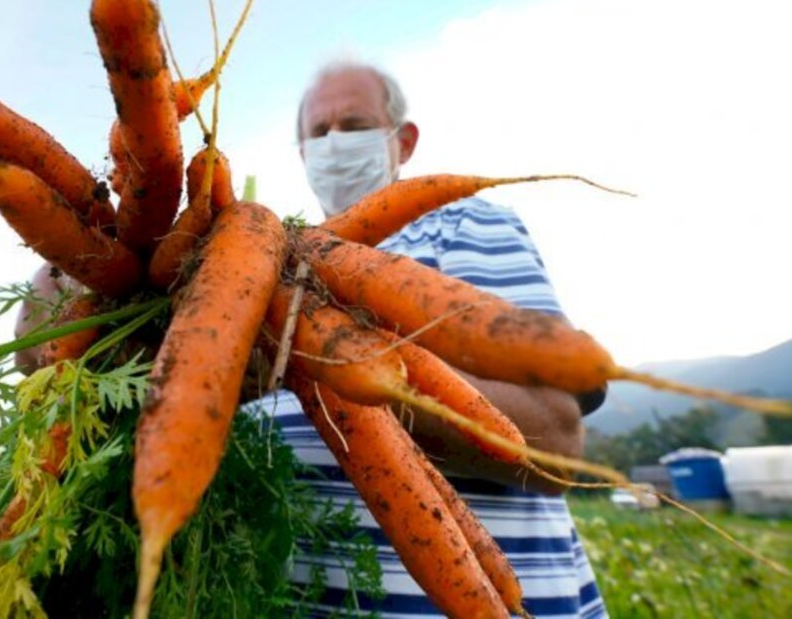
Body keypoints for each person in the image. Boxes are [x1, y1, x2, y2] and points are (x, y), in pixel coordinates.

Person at [248, 61, 608, 618]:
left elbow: (556, 443)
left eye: (355, 123)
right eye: (319, 133)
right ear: (301, 152)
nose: (335, 142)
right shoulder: (254, 275)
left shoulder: (461, 225)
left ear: (404, 140)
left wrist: (335, 353)